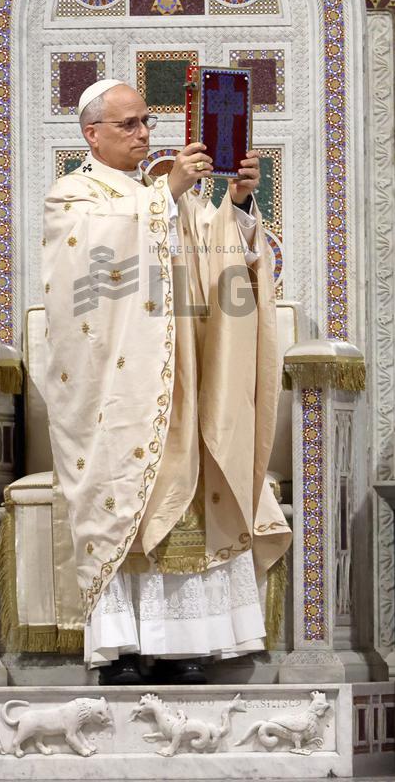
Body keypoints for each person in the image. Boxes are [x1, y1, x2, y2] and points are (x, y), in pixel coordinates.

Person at [42, 79, 291, 685]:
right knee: (130, 496)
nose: (143, 134)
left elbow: (213, 262)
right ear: (92, 133)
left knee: (183, 498)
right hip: (118, 389)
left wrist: (233, 206)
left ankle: (182, 644)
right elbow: (89, 271)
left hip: (181, 372)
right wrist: (165, 194)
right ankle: (124, 648)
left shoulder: (166, 195)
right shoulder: (73, 194)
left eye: (146, 122)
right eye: (128, 125)